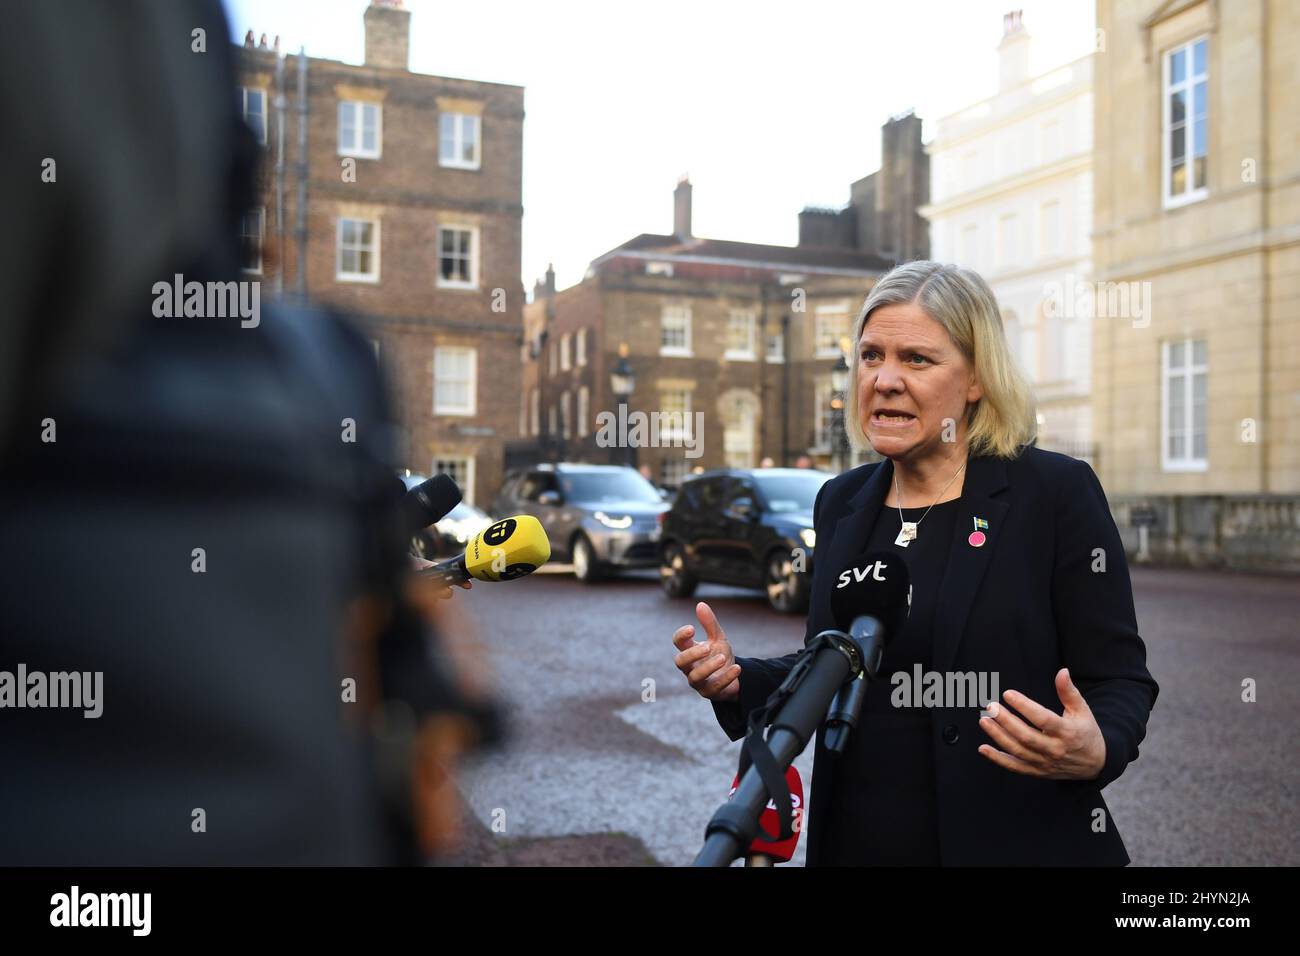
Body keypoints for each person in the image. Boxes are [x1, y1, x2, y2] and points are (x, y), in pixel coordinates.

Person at [672, 261, 1158, 865]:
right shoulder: (842, 502)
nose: (885, 379)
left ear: (976, 378)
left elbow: (1119, 677)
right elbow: (836, 657)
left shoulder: (1053, 494)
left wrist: (1099, 746)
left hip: (1016, 844)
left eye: (917, 359)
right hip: (861, 842)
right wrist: (738, 680)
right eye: (871, 355)